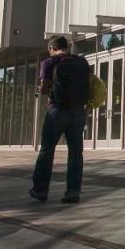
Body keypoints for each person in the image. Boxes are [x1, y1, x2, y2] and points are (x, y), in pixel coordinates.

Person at [29, 35, 90, 205]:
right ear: (67, 47)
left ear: (52, 48)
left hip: (57, 111)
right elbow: (90, 84)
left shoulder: (49, 63)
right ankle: (73, 192)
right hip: (78, 112)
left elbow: (45, 87)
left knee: (47, 151)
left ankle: (40, 190)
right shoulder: (82, 62)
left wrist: (42, 89)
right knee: (76, 154)